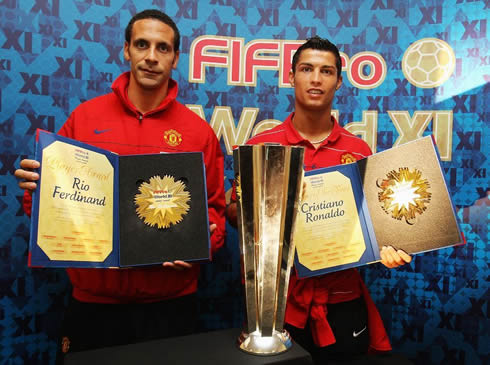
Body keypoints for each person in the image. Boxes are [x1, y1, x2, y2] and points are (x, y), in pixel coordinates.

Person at [15, 9, 225, 359]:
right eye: (142, 44)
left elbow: (215, 210)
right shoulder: (85, 118)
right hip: (95, 306)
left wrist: (202, 244)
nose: (151, 57)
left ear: (175, 57)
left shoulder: (197, 132)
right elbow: (48, 207)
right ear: (126, 49)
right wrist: (37, 190)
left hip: (170, 307)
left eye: (163, 48)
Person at [226, 36, 412, 364]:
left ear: (339, 81)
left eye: (326, 71)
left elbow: (374, 224)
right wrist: (268, 221)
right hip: (276, 305)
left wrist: (389, 244)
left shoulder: (358, 151)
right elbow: (231, 208)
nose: (315, 78)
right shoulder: (260, 146)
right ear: (291, 76)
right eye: (306, 69)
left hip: (342, 301)